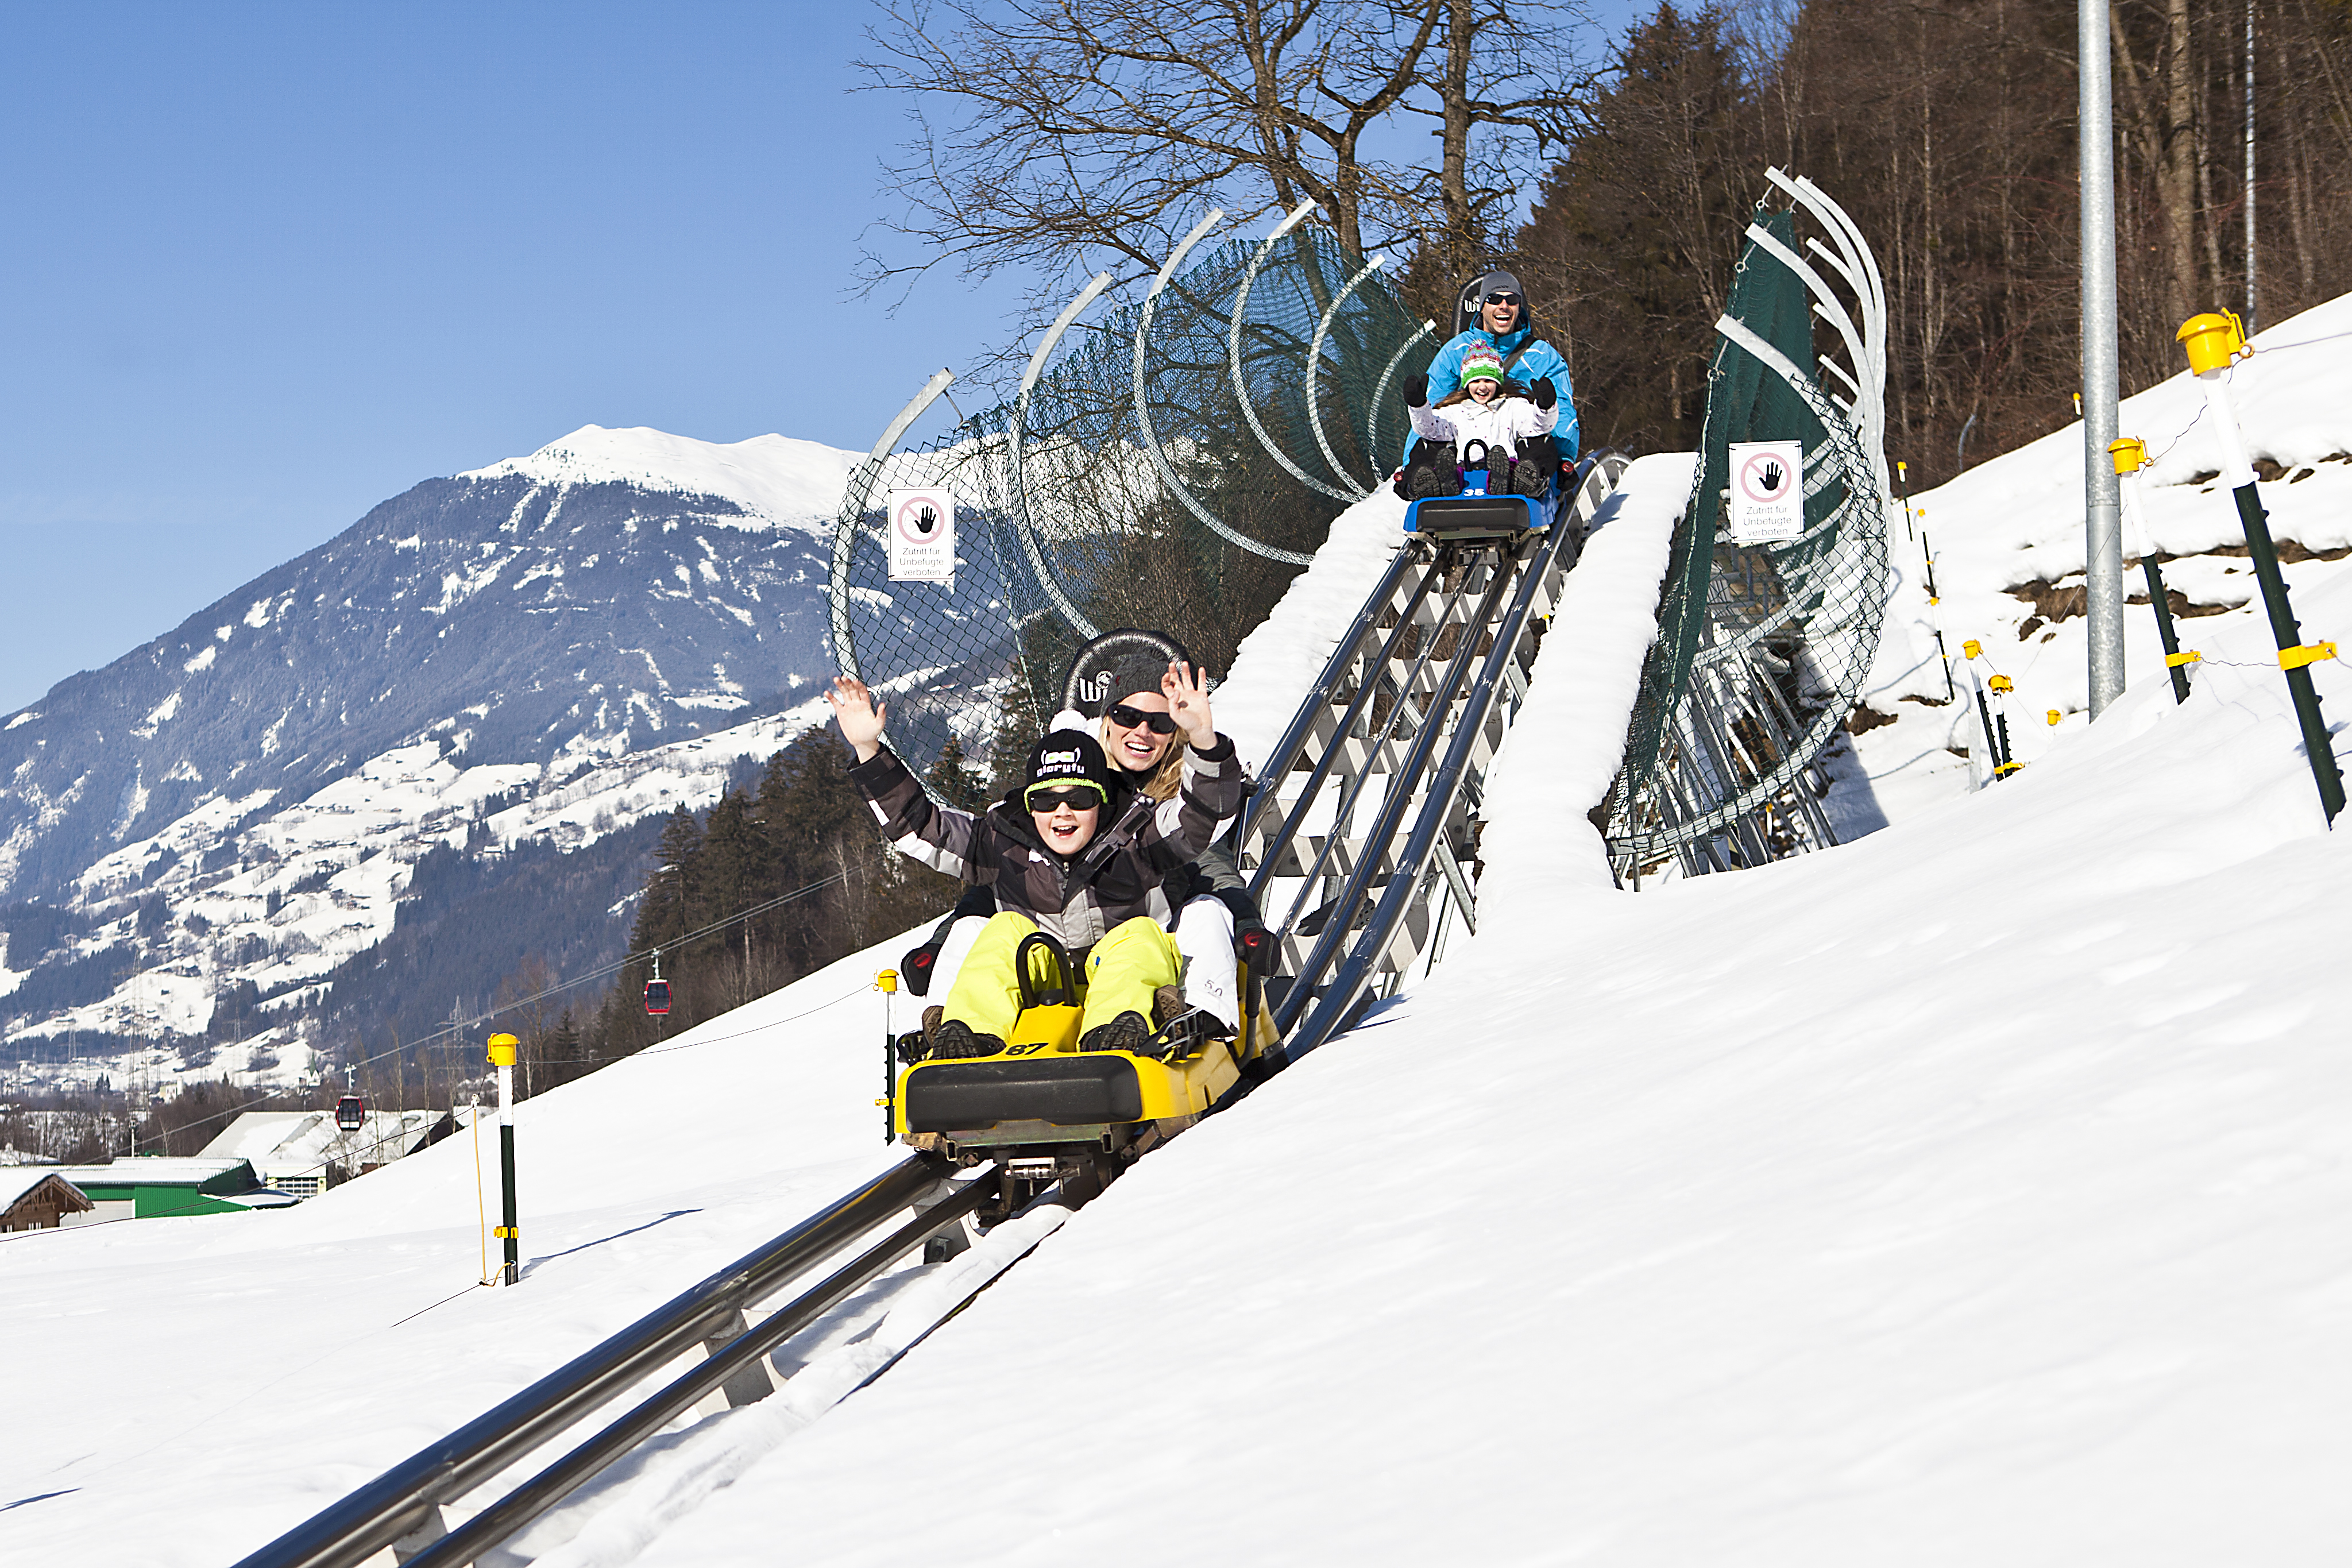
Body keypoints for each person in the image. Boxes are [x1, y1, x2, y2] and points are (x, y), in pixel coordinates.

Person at [829, 662, 1243, 1060]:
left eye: (1079, 798)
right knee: (999, 928)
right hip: (1041, 973)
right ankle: (967, 1033)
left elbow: (1204, 815)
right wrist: (868, 750)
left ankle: (1117, 1032)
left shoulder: (1139, 836)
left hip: (1123, 975)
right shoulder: (1002, 840)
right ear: (1029, 808)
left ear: (1101, 801)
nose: (1062, 812)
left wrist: (1203, 739)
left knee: (1138, 935)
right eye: (1046, 800)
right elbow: (920, 826)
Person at [1396, 269, 1578, 490]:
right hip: (1462, 450)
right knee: (1432, 443)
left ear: (1519, 307)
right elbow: (1433, 410)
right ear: (1481, 306)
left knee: (1540, 442)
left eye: (1511, 300)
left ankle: (1528, 479)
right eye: (1494, 299)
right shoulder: (1457, 350)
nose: (1504, 306)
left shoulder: (1541, 356)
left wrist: (1564, 461)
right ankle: (1427, 482)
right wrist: (1410, 463)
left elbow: (1563, 413)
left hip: (1518, 447)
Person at [1400, 344, 1562, 499]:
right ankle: (1442, 482)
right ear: (1467, 384)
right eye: (1476, 381)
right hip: (1464, 469)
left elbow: (1539, 426)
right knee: (1429, 447)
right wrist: (1418, 405)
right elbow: (1430, 430)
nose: (1482, 388)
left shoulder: (1513, 406)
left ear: (1498, 383)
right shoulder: (1454, 411)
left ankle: (1510, 483)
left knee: (1537, 447)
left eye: (1489, 381)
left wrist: (1545, 406)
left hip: (1506, 468)